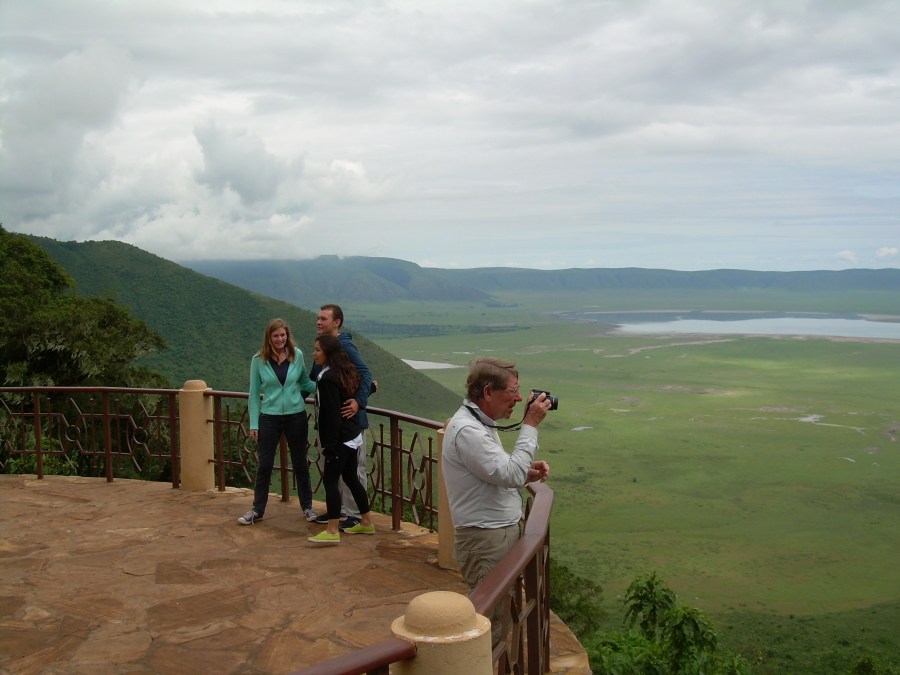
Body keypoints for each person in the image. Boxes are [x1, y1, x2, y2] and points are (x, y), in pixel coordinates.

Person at [441, 357, 551, 638]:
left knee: (499, 619)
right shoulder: (468, 430)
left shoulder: (479, 423)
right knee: (488, 626)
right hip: (485, 540)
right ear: (488, 392)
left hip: (493, 536)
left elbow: (497, 472)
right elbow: (508, 474)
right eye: (512, 391)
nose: (518, 398)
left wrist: (526, 473)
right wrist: (530, 425)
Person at [237, 318, 317, 526]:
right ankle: (257, 510)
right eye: (276, 336)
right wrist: (254, 423)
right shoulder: (258, 360)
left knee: (300, 463)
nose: (280, 339)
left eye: (283, 335)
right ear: (269, 338)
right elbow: (254, 394)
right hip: (269, 417)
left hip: (296, 416)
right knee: (264, 465)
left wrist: (330, 383)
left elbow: (305, 382)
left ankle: (307, 507)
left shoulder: (296, 355)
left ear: (287, 336)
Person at [308, 334, 376, 544]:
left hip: (339, 439)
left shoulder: (328, 378)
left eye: (318, 350)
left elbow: (331, 415)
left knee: (330, 481)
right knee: (351, 478)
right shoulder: (344, 372)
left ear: (327, 353)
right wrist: (372, 388)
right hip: (352, 435)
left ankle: (331, 530)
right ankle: (366, 522)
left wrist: (329, 447)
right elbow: (356, 391)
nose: (314, 354)